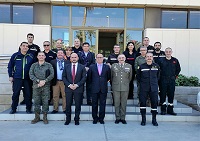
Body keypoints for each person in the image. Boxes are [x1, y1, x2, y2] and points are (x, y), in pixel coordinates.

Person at [8, 42, 35, 114]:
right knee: (16, 94)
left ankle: (28, 109)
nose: (25, 47)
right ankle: (13, 108)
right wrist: (10, 76)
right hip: (17, 78)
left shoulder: (31, 56)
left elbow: (34, 67)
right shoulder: (15, 55)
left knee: (28, 94)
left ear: (28, 48)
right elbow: (10, 66)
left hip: (27, 79)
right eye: (23, 46)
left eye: (27, 46)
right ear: (20, 47)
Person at [29, 52, 54, 124]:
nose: (41, 57)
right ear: (37, 57)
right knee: (36, 102)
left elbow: (52, 74)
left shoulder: (49, 65)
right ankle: (37, 117)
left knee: (45, 101)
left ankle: (45, 117)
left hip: (46, 86)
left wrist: (44, 81)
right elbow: (31, 74)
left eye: (42, 55)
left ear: (45, 57)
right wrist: (38, 81)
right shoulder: (34, 65)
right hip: (36, 86)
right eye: (39, 55)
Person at [63, 53, 87, 125]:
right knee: (68, 105)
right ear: (70, 58)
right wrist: (69, 85)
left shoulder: (82, 67)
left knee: (78, 105)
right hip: (68, 88)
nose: (74, 58)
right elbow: (64, 77)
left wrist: (77, 85)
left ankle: (77, 119)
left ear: (78, 58)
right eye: (72, 57)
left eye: (75, 57)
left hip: (78, 88)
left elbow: (84, 78)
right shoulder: (66, 66)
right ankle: (68, 119)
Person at [136, 52, 160, 126]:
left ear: (152, 58)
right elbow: (138, 77)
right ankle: (143, 120)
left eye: (150, 56)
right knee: (142, 103)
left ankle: (154, 120)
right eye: (147, 56)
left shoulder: (156, 66)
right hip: (144, 88)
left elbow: (158, 77)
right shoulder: (141, 67)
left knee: (154, 104)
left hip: (154, 88)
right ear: (145, 58)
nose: (149, 58)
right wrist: (143, 84)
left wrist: (154, 83)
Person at [87, 54, 111, 124]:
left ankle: (101, 118)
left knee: (102, 104)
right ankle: (95, 118)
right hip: (94, 88)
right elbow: (89, 78)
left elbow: (109, 77)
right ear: (96, 58)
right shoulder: (92, 67)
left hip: (103, 88)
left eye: (101, 57)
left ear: (103, 58)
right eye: (98, 57)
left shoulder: (107, 67)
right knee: (94, 104)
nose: (99, 58)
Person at [159, 47, 181, 115]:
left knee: (171, 94)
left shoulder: (175, 60)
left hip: (171, 80)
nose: (168, 53)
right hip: (163, 80)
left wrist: (175, 76)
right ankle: (163, 110)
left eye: (169, 52)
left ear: (171, 52)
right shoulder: (161, 60)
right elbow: (158, 70)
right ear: (164, 52)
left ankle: (170, 110)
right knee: (162, 95)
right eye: (166, 52)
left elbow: (178, 69)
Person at [111, 54, 132, 124]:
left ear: (125, 58)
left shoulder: (129, 66)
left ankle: (123, 118)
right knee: (116, 103)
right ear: (117, 59)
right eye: (120, 58)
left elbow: (130, 77)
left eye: (123, 57)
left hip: (125, 87)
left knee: (123, 103)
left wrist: (125, 83)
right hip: (116, 87)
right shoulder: (113, 66)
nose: (121, 59)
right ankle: (117, 117)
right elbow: (111, 76)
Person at [20, 33, 40, 105]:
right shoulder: (24, 46)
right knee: (24, 86)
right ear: (27, 38)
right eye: (29, 37)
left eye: (31, 37)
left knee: (31, 85)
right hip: (24, 69)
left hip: (33, 68)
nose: (30, 38)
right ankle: (25, 99)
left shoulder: (36, 47)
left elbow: (39, 56)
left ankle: (30, 99)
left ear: (33, 38)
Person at [50, 50, 70, 114]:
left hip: (64, 82)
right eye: (58, 53)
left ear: (64, 54)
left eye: (61, 53)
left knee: (65, 95)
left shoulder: (67, 62)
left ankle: (65, 109)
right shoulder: (52, 62)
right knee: (55, 96)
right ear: (56, 54)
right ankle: (55, 109)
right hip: (56, 81)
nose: (60, 54)